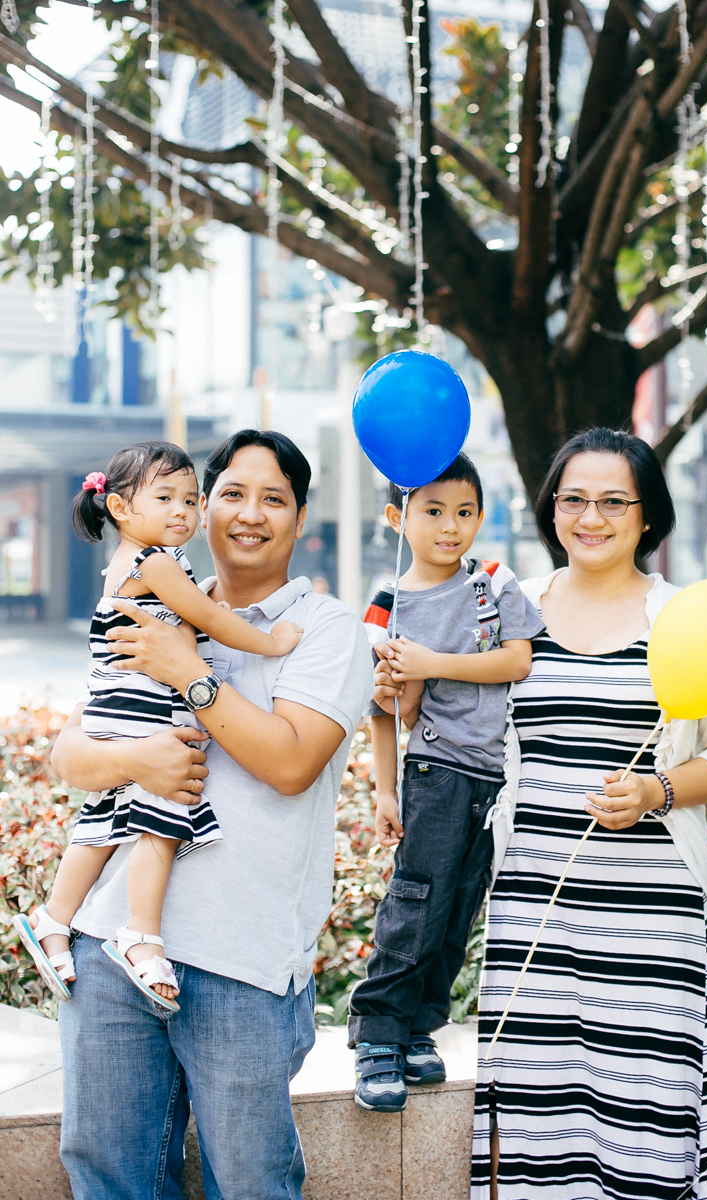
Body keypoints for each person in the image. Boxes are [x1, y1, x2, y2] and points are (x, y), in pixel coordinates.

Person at [48, 429, 373, 1200]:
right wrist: (139, 760)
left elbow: (290, 763)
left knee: (253, 1185)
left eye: (274, 498)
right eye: (230, 493)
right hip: (115, 944)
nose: (248, 513)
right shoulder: (154, 595)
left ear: (300, 517)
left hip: (242, 961)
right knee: (109, 1181)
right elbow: (73, 753)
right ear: (203, 506)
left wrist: (187, 670)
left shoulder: (324, 627)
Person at [472, 428, 707, 1200]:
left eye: (612, 502)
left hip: (650, 921)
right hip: (534, 909)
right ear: (551, 509)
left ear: (647, 515)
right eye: (573, 499)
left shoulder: (684, 618)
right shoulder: (511, 608)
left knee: (646, 1119)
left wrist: (657, 791)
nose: (590, 518)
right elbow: (463, 728)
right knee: (540, 1120)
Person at [15, 441, 303, 1010]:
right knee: (163, 818)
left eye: (190, 500)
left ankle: (53, 917)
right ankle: (141, 936)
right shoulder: (155, 564)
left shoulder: (128, 562)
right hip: (144, 710)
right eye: (165, 498)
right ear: (120, 508)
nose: (182, 511)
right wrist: (272, 642)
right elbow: (208, 617)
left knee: (103, 821)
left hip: (116, 705)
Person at [348, 452, 542, 1113]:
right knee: (417, 903)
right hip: (434, 772)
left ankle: (418, 1028)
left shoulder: (494, 582)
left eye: (464, 512)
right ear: (396, 517)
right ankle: (379, 1034)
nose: (450, 526)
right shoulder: (387, 605)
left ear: (481, 517)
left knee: (459, 908)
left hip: (495, 779)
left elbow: (517, 662)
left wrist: (431, 663)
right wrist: (384, 792)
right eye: (432, 511)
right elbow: (384, 709)